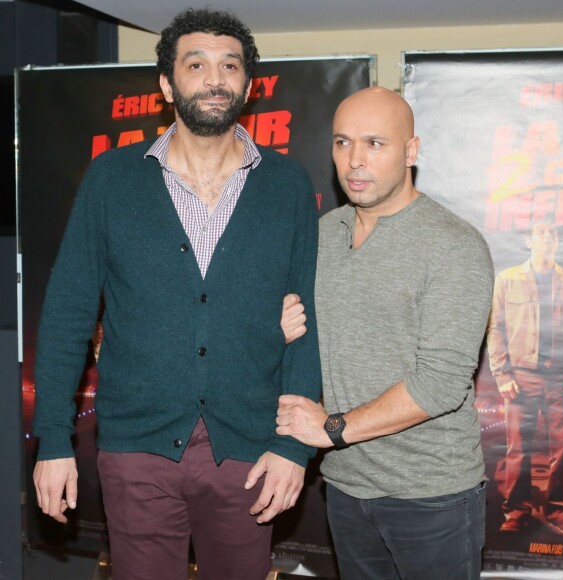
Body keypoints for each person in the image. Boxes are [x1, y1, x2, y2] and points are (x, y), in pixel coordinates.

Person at [32, 8, 321, 580]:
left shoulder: (287, 185)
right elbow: (67, 315)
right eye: (196, 64)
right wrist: (52, 441)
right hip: (135, 446)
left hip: (250, 446)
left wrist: (293, 448)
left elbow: (310, 325)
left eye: (229, 66)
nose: (215, 79)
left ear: (247, 84)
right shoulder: (111, 180)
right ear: (167, 84)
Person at [277, 87, 494, 580]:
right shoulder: (323, 232)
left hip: (431, 495)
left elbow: (439, 383)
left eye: (376, 143)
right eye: (342, 142)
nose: (355, 160)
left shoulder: (453, 246)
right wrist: (280, 329)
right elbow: (303, 337)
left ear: (411, 151)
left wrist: (331, 428)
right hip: (346, 488)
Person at [487, 222, 563, 535]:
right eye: (541, 233)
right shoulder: (507, 279)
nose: (547, 239)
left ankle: (558, 509)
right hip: (520, 379)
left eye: (552, 234)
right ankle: (516, 511)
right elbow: (495, 329)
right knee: (518, 449)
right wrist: (503, 375)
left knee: (561, 451)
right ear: (529, 240)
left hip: (559, 379)